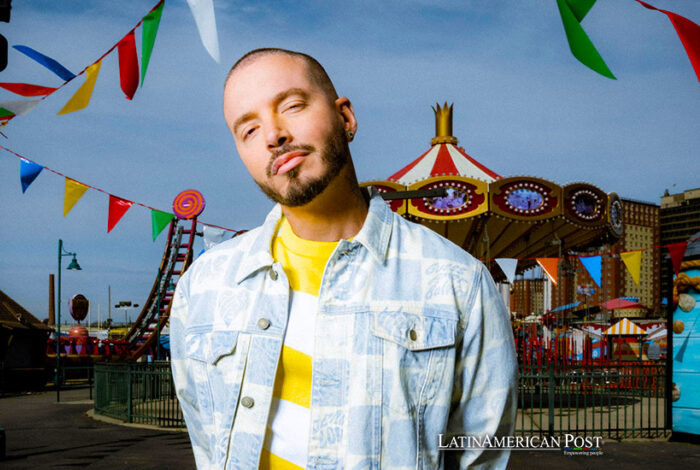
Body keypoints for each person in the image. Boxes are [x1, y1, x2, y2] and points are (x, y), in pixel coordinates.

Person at [170, 47, 517, 469]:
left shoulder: (460, 283)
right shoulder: (201, 288)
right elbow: (206, 444)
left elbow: (481, 455)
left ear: (346, 118)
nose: (273, 135)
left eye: (293, 106)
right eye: (248, 130)